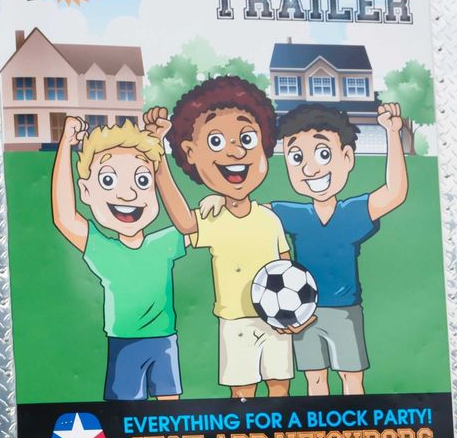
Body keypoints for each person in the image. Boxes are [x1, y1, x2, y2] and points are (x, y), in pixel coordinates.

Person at [149, 79, 294, 400]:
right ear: (190, 153)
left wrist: (293, 313)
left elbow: (287, 269)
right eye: (216, 140)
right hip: (234, 322)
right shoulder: (212, 217)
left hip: (275, 319)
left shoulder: (270, 219)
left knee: (280, 387)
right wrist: (158, 157)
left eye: (247, 138)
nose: (235, 150)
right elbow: (186, 223)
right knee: (242, 393)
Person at [268, 102, 409, 397]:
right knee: (315, 381)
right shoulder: (291, 214)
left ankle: (355, 436)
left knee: (351, 378)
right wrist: (217, 201)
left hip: (346, 311)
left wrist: (392, 134)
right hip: (304, 311)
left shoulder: (353, 212)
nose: (310, 168)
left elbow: (394, 193)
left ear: (347, 158)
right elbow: (250, 214)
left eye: (322, 153)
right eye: (296, 157)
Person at [50, 115, 186, 401]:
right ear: (86, 191)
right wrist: (65, 143)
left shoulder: (165, 242)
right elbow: (65, 217)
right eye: (108, 180)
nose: (126, 194)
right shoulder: (103, 249)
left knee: (171, 414)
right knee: (125, 415)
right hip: (124, 343)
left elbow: (190, 225)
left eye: (142, 180)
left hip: (164, 341)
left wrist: (158, 149)